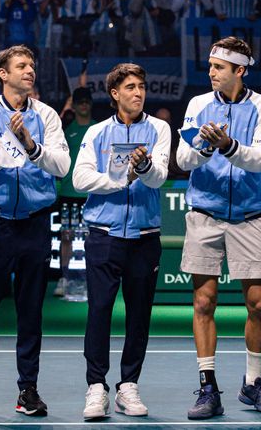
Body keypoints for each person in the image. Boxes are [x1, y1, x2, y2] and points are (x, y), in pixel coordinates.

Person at [0, 45, 70, 417]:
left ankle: (28, 390)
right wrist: (10, 139)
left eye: (32, 65)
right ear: (3, 74)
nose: (30, 70)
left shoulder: (48, 115)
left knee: (31, 309)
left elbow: (62, 165)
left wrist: (32, 146)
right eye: (21, 65)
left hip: (35, 222)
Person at [177, 36, 261, 419]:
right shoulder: (198, 104)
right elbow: (183, 158)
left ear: (239, 70)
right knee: (204, 301)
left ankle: (252, 384)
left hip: (249, 216)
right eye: (210, 65)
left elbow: (258, 160)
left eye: (219, 67)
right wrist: (206, 147)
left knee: (258, 303)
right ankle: (208, 387)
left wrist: (227, 144)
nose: (211, 72)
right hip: (205, 213)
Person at [73, 63, 171, 420]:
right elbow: (80, 177)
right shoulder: (97, 132)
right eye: (130, 87)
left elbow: (159, 177)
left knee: (139, 315)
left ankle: (128, 385)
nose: (138, 92)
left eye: (141, 86)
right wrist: (119, 180)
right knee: (98, 312)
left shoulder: (159, 128)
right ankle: (96, 387)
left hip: (145, 238)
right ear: (115, 94)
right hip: (104, 236)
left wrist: (143, 169)